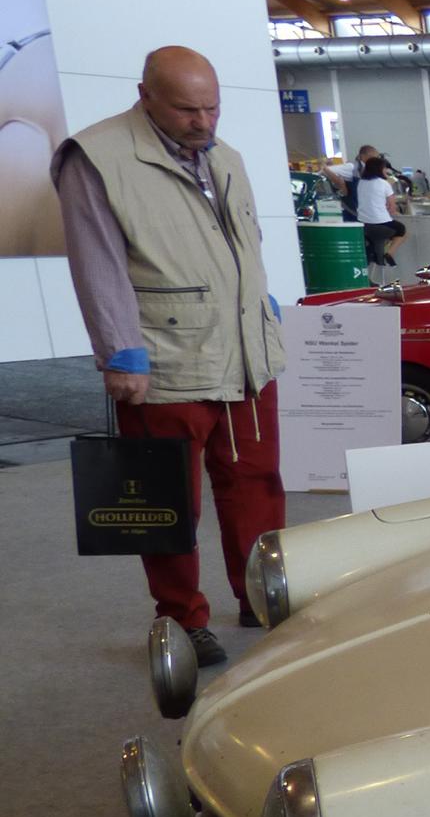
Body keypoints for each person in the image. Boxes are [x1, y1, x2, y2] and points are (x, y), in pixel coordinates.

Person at [50, 46, 286, 666]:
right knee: (166, 502)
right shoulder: (97, 157)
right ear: (145, 95)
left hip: (246, 354)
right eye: (187, 110)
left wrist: (260, 304)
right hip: (165, 360)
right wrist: (119, 351)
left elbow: (245, 245)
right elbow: (96, 260)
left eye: (212, 108)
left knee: (257, 486)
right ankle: (183, 617)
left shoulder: (225, 156)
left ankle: (262, 595)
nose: (203, 122)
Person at [355, 155, 407, 269]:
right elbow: (392, 208)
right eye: (384, 168)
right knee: (402, 230)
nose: (386, 170)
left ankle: (377, 254)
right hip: (381, 224)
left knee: (380, 237)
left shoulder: (361, 183)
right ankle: (389, 253)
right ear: (379, 169)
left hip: (364, 224)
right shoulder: (384, 183)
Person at [323, 143, 377, 219]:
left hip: (362, 210)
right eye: (372, 157)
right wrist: (341, 184)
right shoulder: (352, 167)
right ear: (363, 156)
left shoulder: (367, 169)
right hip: (352, 210)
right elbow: (325, 170)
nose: (375, 160)